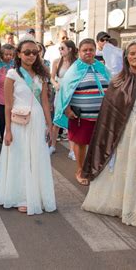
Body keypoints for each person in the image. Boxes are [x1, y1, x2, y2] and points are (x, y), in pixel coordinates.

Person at [81, 40, 136, 227]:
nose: (135, 57)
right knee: (126, 165)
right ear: (126, 57)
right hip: (126, 131)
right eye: (132, 54)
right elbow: (109, 113)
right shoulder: (118, 81)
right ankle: (122, 204)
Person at [0, 38, 56, 215]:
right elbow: (8, 105)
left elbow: (45, 103)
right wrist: (8, 130)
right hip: (19, 122)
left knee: (36, 157)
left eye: (35, 52)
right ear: (19, 54)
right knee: (20, 158)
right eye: (27, 52)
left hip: (37, 120)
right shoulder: (12, 74)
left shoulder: (42, 75)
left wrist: (50, 127)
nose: (31, 56)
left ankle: (36, 195)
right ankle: (21, 196)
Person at [54, 38, 111, 186]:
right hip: (80, 115)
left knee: (99, 144)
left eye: (91, 49)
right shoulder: (74, 69)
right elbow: (65, 91)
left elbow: (111, 86)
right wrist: (66, 109)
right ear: (79, 52)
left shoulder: (101, 67)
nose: (88, 52)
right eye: (85, 50)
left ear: (95, 51)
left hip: (101, 116)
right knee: (80, 144)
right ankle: (80, 171)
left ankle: (94, 169)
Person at [49, 40, 77, 159]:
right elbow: (51, 78)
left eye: (62, 48)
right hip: (60, 93)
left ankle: (72, 150)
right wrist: (55, 83)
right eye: (59, 48)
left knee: (71, 121)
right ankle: (53, 146)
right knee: (57, 121)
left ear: (70, 49)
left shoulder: (76, 63)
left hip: (72, 94)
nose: (60, 50)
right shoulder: (56, 62)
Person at [0, 44, 15, 139]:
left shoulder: (15, 65)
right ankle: (3, 139)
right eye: (6, 54)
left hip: (14, 98)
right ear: (2, 54)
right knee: (2, 121)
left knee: (14, 121)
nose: (9, 56)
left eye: (10, 54)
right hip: (0, 98)